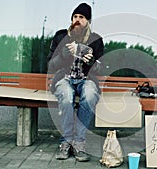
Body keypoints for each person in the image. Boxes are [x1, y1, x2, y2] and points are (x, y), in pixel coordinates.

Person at [47, 2, 104, 161]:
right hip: (64, 79)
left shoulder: (96, 40)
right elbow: (50, 66)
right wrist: (63, 54)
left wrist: (92, 62)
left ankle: (79, 142)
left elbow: (102, 69)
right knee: (66, 95)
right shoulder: (60, 36)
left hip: (86, 80)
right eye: (75, 17)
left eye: (82, 17)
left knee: (91, 94)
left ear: (88, 21)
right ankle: (66, 142)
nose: (77, 20)